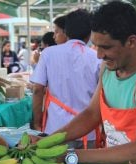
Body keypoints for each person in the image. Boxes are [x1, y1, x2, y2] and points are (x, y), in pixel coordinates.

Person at [34, 1, 136, 164]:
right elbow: (92, 114)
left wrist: (70, 155)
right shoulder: (109, 67)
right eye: (96, 46)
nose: (99, 55)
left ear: (131, 42)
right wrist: (47, 141)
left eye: (106, 47)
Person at [30, 9, 102, 149]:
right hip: (88, 132)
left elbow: (38, 90)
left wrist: (37, 123)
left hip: (56, 131)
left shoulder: (48, 54)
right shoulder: (97, 58)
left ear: (66, 31)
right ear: (90, 34)